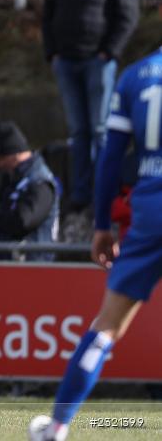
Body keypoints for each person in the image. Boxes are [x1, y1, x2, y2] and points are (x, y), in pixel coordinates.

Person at [27, 47, 162, 440]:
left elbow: (109, 158)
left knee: (106, 327)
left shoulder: (137, 77)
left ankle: (57, 426)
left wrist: (102, 224)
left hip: (151, 210)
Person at [42, 0, 139, 212]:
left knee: (100, 129)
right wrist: (53, 52)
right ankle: (82, 193)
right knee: (78, 132)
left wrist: (109, 51)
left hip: (98, 63)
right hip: (67, 63)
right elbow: (48, 13)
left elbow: (128, 15)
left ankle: (104, 191)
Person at [0, 121, 60, 261]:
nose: (0, 164)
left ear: (15, 154)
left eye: (3, 158)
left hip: (31, 269)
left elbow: (23, 221)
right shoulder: (12, 178)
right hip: (4, 265)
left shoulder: (40, 182)